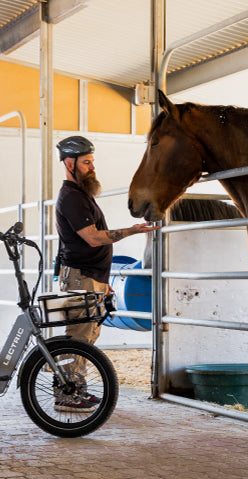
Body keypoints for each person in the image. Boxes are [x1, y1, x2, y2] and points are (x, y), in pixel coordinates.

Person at [54, 135, 160, 411]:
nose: (92, 167)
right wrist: (132, 230)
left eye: (92, 162)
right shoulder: (72, 197)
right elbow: (92, 238)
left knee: (86, 336)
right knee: (78, 336)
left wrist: (103, 283)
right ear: (69, 163)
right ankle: (66, 394)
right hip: (81, 276)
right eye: (86, 162)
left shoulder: (82, 196)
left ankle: (75, 388)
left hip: (91, 277)